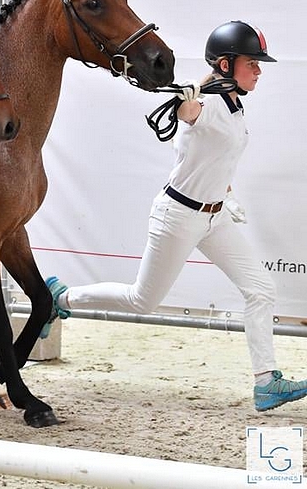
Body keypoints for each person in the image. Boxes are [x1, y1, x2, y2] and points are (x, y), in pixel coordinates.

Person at [45, 20, 307, 412]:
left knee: (260, 290)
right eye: (251, 62)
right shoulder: (207, 106)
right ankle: (61, 297)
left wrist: (226, 195)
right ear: (224, 65)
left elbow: (216, 158)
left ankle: (266, 382)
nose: (258, 70)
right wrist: (186, 94)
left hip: (214, 218)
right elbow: (188, 111)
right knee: (141, 301)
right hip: (178, 216)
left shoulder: (233, 105)